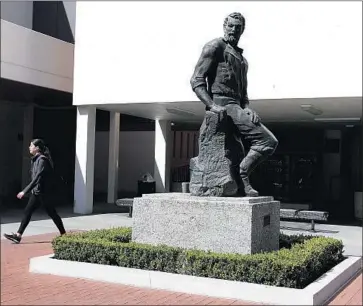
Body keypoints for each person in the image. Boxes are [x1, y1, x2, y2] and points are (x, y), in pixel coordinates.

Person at [190, 12, 278, 197]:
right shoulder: (214, 46)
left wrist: (247, 108)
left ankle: (241, 173)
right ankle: (243, 175)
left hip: (237, 106)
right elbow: (197, 81)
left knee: (268, 142)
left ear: (242, 30)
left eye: (238, 27)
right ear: (224, 25)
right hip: (222, 104)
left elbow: (243, 93)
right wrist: (212, 105)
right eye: (230, 26)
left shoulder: (243, 60)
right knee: (268, 141)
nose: (233, 30)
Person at [3, 139, 66, 243]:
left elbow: (37, 178)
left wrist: (24, 191)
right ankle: (18, 235)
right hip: (37, 193)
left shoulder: (42, 160)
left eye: (31, 146)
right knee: (28, 211)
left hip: (44, 194)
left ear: (37, 148)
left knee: (53, 214)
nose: (29, 147)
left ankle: (64, 235)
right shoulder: (36, 159)